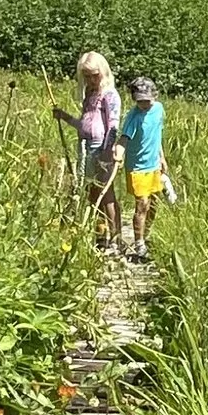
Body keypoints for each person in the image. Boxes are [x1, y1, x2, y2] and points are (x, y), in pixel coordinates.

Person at [53, 51, 123, 249]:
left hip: (102, 147)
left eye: (95, 75)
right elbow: (86, 124)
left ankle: (116, 238)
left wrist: (108, 149)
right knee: (91, 192)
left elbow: (113, 124)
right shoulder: (89, 95)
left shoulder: (109, 94)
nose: (91, 80)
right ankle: (100, 236)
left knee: (105, 192)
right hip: (85, 145)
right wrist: (65, 117)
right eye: (87, 76)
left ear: (103, 72)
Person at [119, 75, 169, 260]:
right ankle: (138, 243)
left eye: (147, 100)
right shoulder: (133, 118)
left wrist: (161, 157)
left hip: (154, 164)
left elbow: (157, 135)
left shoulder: (158, 110)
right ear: (134, 99)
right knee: (142, 204)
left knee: (154, 204)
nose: (145, 104)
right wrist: (118, 153)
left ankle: (146, 236)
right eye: (140, 101)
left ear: (154, 96)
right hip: (137, 167)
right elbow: (123, 139)